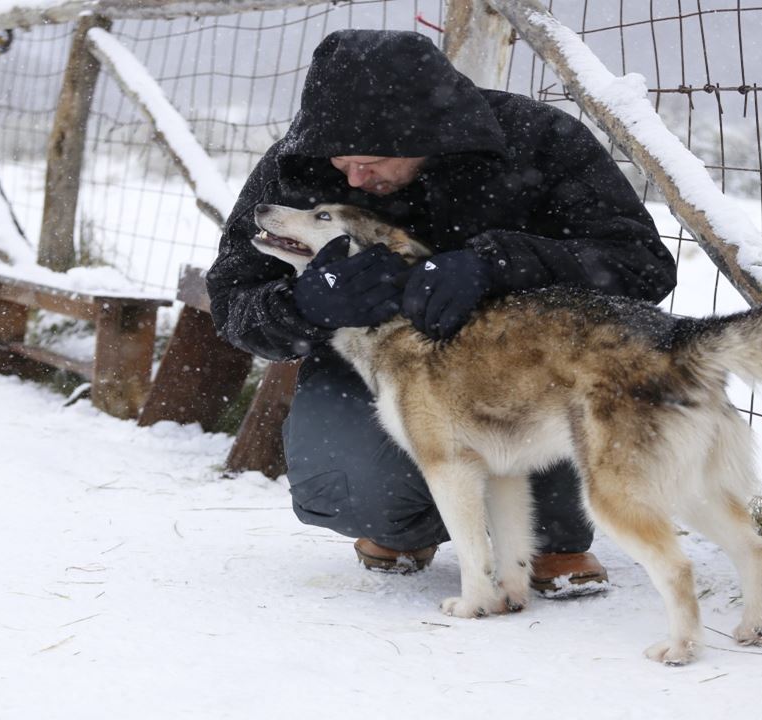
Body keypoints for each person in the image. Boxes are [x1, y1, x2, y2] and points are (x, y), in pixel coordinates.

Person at [206, 29, 677, 592]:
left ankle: (550, 537)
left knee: (545, 430)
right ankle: (407, 523)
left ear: (426, 133)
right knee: (353, 486)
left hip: (522, 364)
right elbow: (232, 300)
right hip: (375, 367)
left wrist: (498, 264)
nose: (354, 178)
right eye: (341, 161)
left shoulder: (538, 139)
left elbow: (642, 264)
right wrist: (305, 304)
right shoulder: (300, 163)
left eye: (371, 161)